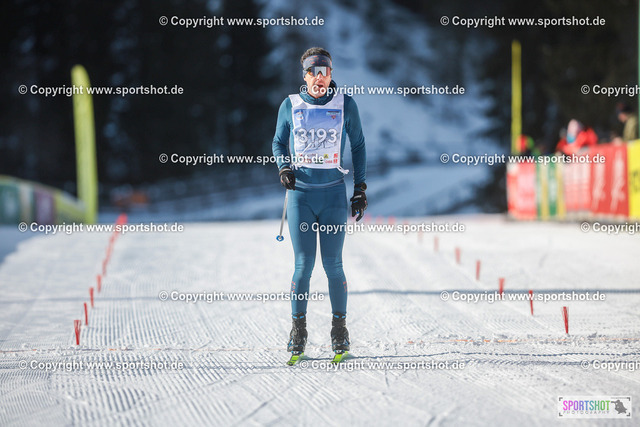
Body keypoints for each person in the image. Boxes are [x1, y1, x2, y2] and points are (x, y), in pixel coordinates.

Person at [272, 47, 367, 358]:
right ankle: (298, 331)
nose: (319, 78)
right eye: (313, 72)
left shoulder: (345, 104)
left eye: (324, 72)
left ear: (330, 75)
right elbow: (278, 141)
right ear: (305, 76)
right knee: (303, 266)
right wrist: (284, 167)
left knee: (334, 265)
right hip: (300, 196)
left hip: (333, 196)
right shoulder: (290, 105)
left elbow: (359, 145)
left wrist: (360, 188)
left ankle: (339, 331)